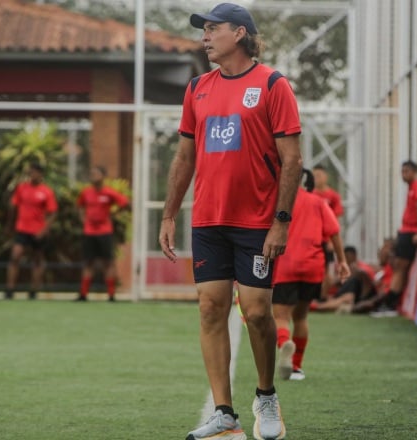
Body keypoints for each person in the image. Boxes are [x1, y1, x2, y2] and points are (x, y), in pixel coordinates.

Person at [158, 3, 302, 440]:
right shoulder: (197, 88)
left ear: (239, 33)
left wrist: (280, 223)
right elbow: (185, 158)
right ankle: (224, 413)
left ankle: (265, 394)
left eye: (212, 28)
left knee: (257, 313)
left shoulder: (273, 85)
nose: (205, 36)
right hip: (208, 221)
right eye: (203, 29)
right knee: (209, 308)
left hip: (257, 223)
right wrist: (169, 214)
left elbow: (292, 161)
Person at [272, 169, 350, 381]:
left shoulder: (275, 202)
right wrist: (342, 261)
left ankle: (284, 346)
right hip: (312, 265)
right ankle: (296, 366)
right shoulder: (318, 202)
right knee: (301, 316)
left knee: (280, 316)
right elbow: (334, 232)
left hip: (285, 264)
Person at [375, 160, 417, 313]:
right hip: (405, 232)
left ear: (415, 172)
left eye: (407, 171)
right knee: (398, 266)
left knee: (401, 267)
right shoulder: (411, 187)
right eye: (402, 172)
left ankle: (391, 302)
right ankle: (391, 300)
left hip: (411, 232)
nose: (404, 175)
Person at [75, 166, 129, 302]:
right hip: (89, 232)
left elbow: (124, 203)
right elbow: (79, 207)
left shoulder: (109, 193)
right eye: (91, 174)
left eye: (96, 174)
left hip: (105, 232)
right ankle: (83, 294)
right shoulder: (86, 193)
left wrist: (114, 214)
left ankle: (111, 295)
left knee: (108, 263)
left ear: (103, 176)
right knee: (88, 263)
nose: (93, 176)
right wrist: (83, 219)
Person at [5, 162, 57, 300]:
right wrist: (10, 224)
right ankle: (10, 289)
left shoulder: (46, 191)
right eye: (30, 172)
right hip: (22, 228)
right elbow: (13, 206)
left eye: (35, 172)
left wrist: (44, 230)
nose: (32, 175)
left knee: (37, 259)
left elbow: (52, 213)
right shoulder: (21, 188)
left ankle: (34, 290)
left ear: (40, 174)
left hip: (38, 231)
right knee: (15, 256)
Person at [311, 164, 344, 302]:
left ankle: (322, 298)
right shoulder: (310, 195)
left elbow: (336, 220)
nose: (316, 178)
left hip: (325, 239)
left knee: (327, 270)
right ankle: (311, 297)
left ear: (326, 177)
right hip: (312, 239)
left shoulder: (333, 196)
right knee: (311, 268)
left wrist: (331, 241)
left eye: (318, 175)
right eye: (314, 176)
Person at [310, 246, 375, 313]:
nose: (344, 261)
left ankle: (319, 307)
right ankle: (320, 303)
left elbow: (368, 285)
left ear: (354, 256)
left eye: (346, 257)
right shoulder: (341, 268)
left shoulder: (363, 269)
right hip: (347, 295)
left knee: (348, 295)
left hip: (360, 297)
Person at [352, 238, 395, 314]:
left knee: (361, 274)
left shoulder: (391, 269)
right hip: (372, 295)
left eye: (384, 248)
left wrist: (371, 302)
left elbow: (385, 292)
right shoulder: (385, 268)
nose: (380, 251)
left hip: (377, 298)